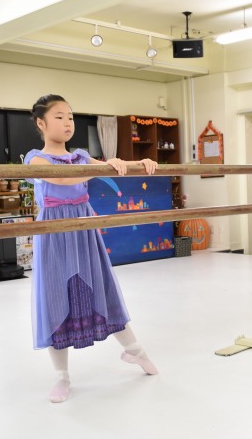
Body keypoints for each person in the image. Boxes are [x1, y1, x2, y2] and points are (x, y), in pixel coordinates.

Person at [24, 94, 158, 404]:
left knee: (101, 288)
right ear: (41, 123)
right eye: (59, 117)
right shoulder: (35, 158)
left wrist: (142, 163)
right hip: (55, 231)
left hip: (84, 227)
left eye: (70, 117)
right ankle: (61, 376)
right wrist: (104, 167)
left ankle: (135, 350)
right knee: (55, 296)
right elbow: (65, 178)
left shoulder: (81, 156)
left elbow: (115, 166)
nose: (67, 122)